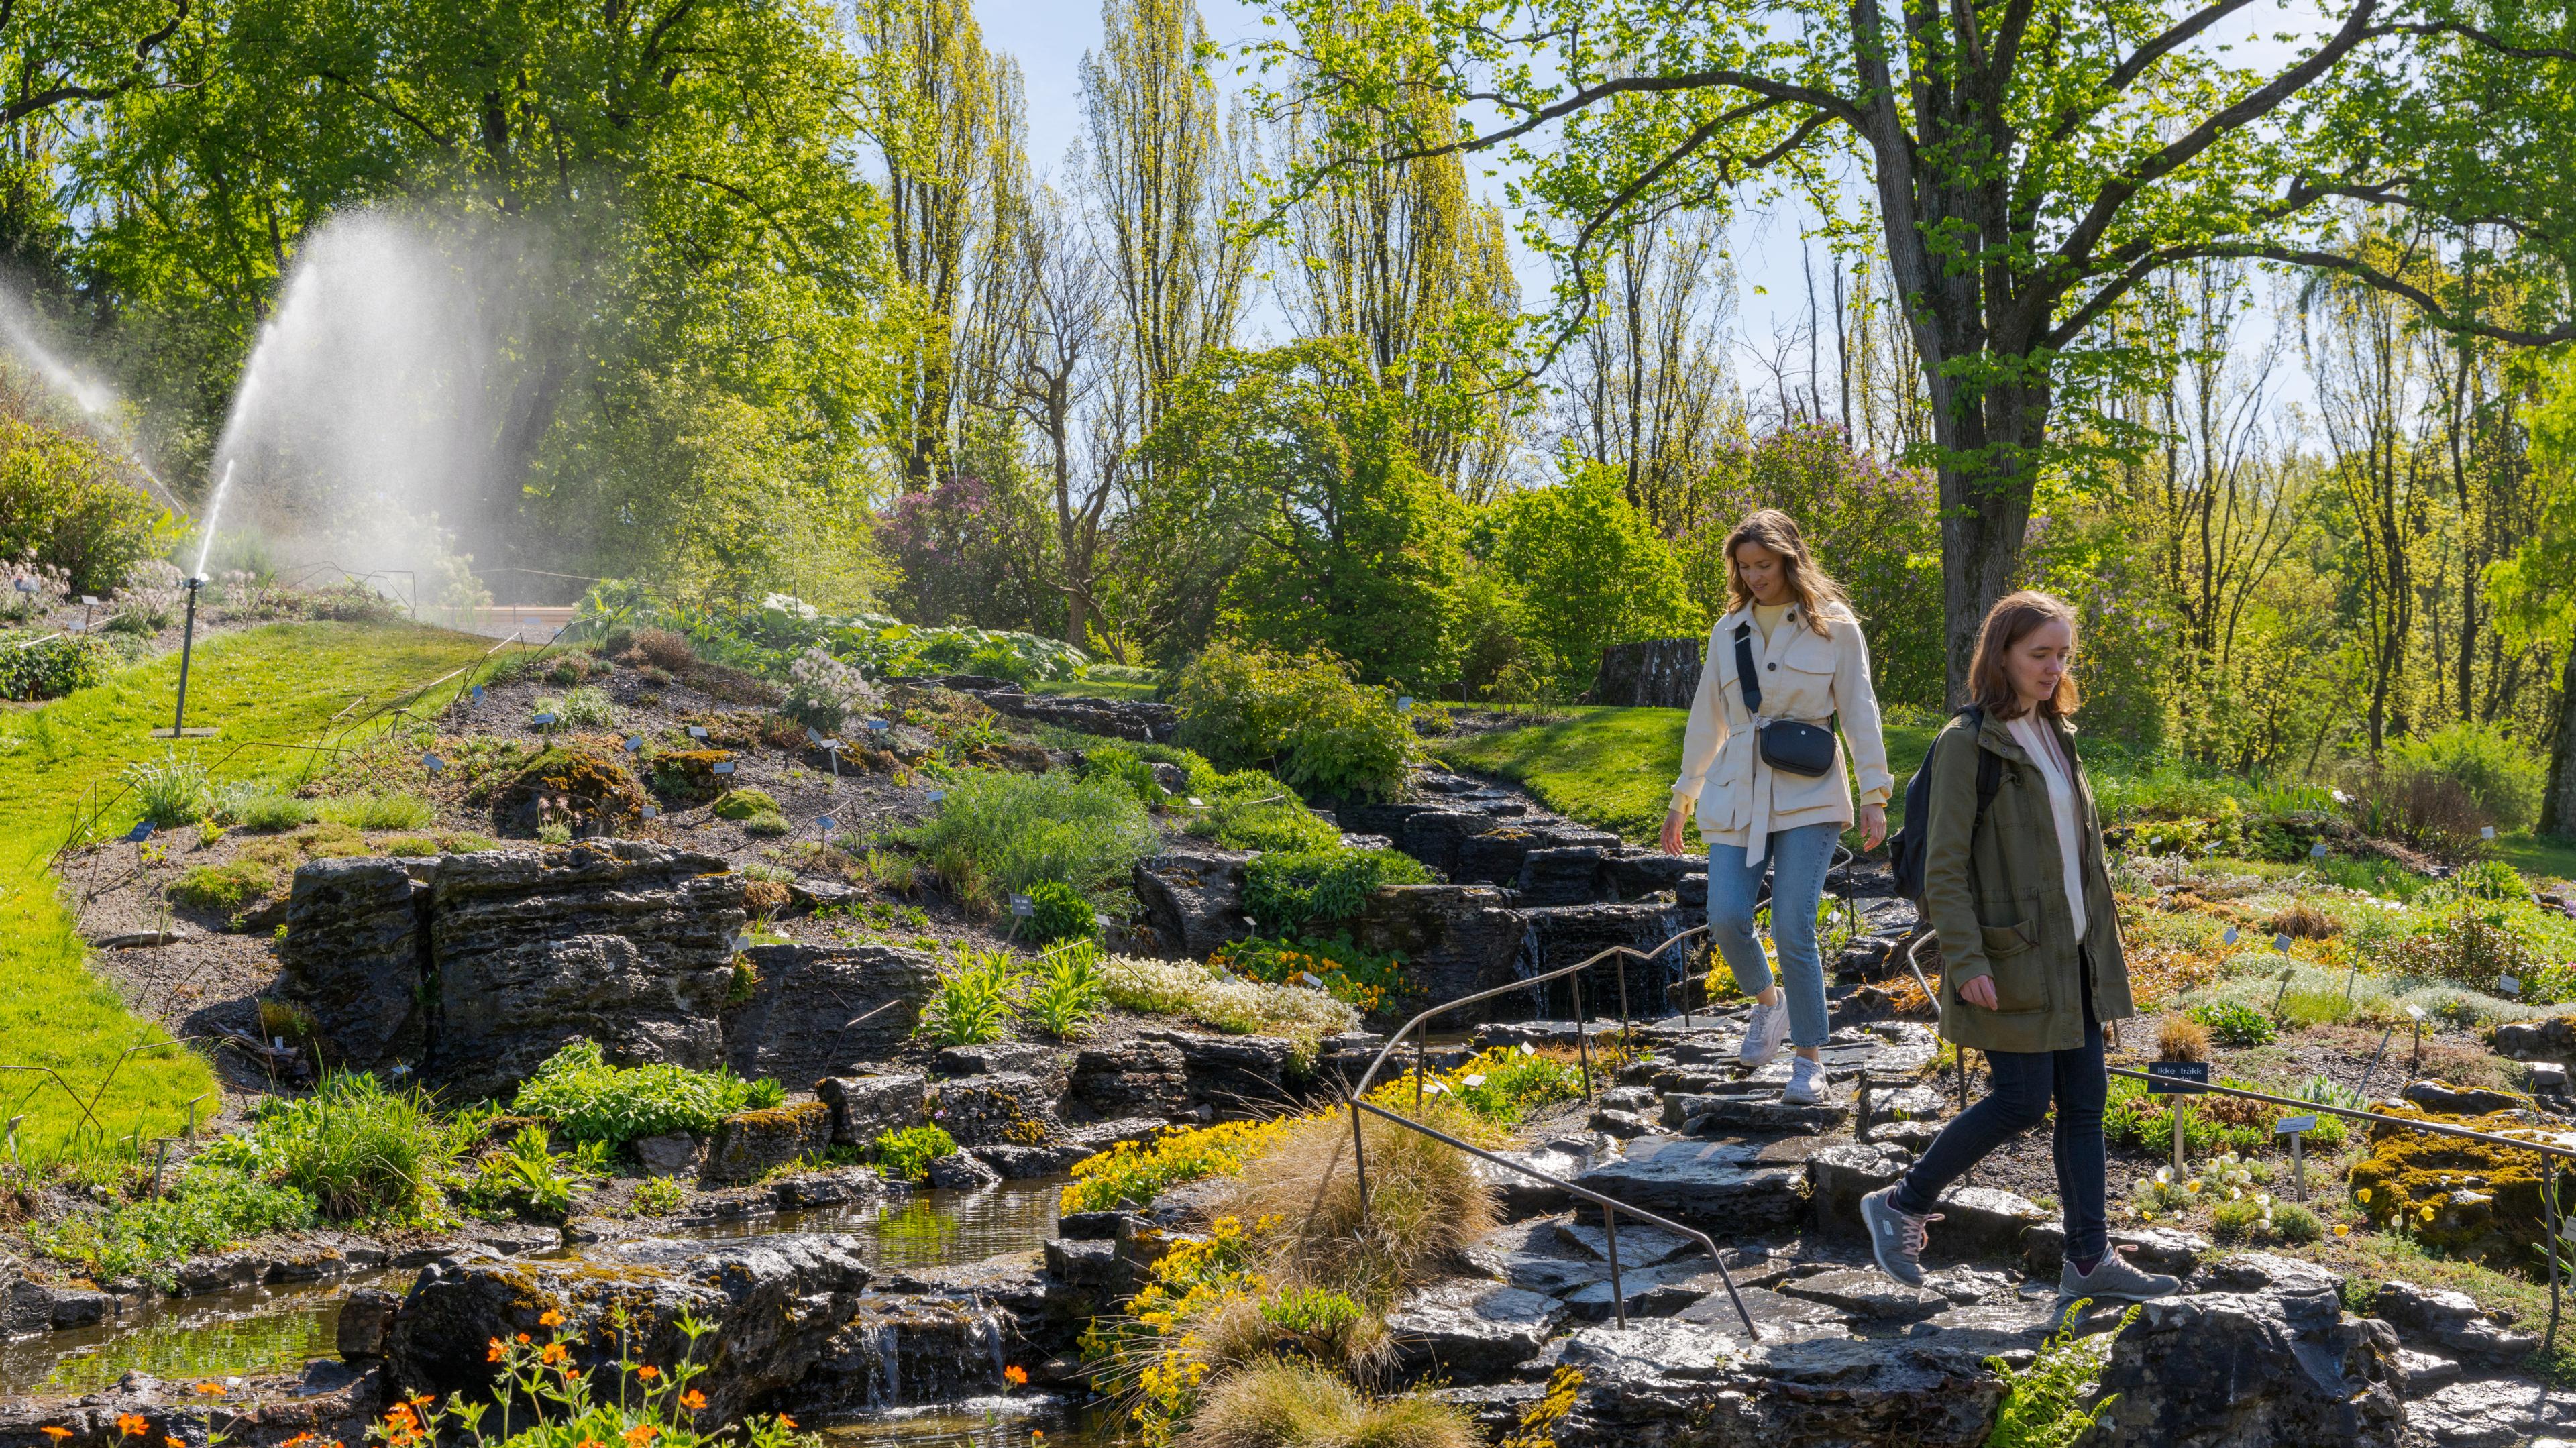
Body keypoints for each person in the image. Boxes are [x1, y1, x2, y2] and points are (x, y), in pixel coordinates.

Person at [1859, 590, 2177, 1302]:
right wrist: (1964, 960)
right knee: (2023, 1099)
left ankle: (2089, 1261)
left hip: (2074, 956)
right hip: (2008, 957)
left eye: (2063, 653)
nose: (2053, 666)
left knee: (2086, 1101)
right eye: (2040, 653)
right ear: (2001, 653)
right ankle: (1901, 1203)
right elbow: (1943, 865)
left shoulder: (2058, 734)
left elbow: (2075, 854)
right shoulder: (1967, 743)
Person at [1662, 509, 1892, 1107]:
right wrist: (1682, 798)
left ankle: (1810, 1060)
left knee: (1794, 924)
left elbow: (1860, 710)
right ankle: (1771, 1005)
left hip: (1811, 792)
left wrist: (1875, 792)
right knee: (1727, 916)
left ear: (1790, 558)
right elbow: (1705, 720)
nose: (1754, 576)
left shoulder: (1835, 628)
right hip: (1738, 790)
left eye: (1763, 564)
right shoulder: (1728, 629)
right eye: (1744, 566)